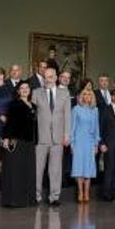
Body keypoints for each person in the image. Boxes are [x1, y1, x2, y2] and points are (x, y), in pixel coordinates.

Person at [32, 67, 72, 206]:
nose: (47, 79)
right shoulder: (36, 93)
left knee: (55, 169)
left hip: (58, 138)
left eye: (50, 77)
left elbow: (68, 116)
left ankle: (54, 197)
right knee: (38, 169)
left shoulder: (64, 93)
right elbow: (32, 116)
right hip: (41, 138)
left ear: (56, 78)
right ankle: (36, 196)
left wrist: (67, 135)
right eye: (45, 77)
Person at [0, 81, 37, 207]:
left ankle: (27, 200)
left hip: (30, 142)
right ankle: (14, 200)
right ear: (18, 91)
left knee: (28, 171)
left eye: (27, 87)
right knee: (15, 171)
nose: (25, 90)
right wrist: (6, 138)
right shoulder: (14, 104)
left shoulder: (34, 106)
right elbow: (9, 123)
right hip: (17, 141)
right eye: (22, 88)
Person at [71, 87, 100, 203]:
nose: (86, 96)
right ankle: (80, 192)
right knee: (79, 168)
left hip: (90, 142)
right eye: (84, 94)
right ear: (81, 97)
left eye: (89, 94)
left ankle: (87, 192)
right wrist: (72, 144)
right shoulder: (76, 109)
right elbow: (72, 128)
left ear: (92, 97)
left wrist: (96, 144)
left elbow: (97, 129)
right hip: (78, 142)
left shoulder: (95, 110)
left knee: (88, 168)